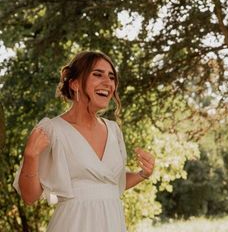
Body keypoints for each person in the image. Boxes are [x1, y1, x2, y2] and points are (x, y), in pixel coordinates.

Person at [14, 51, 156, 232]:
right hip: (73, 224)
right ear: (75, 84)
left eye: (111, 77)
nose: (108, 82)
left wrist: (143, 173)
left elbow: (112, 183)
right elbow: (29, 196)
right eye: (97, 74)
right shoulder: (52, 130)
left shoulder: (113, 130)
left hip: (113, 223)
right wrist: (30, 156)